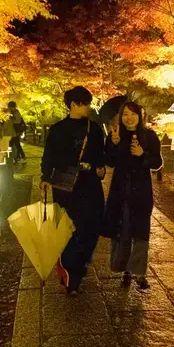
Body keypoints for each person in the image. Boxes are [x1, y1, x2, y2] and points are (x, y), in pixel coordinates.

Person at [40, 86, 106, 294]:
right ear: (73, 105)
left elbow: (100, 155)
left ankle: (81, 260)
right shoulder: (58, 129)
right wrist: (45, 177)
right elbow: (49, 155)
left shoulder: (94, 129)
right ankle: (71, 273)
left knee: (93, 225)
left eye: (88, 103)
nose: (87, 107)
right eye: (84, 103)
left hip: (90, 183)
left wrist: (97, 166)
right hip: (64, 184)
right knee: (70, 227)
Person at [104, 101, 163, 290]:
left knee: (140, 232)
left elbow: (157, 162)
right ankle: (124, 270)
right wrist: (112, 145)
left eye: (133, 114)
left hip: (141, 191)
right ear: (121, 117)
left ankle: (139, 273)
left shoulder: (150, 136)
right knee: (123, 229)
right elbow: (110, 162)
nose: (129, 118)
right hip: (120, 191)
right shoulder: (115, 135)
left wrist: (142, 154)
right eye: (125, 114)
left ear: (140, 116)